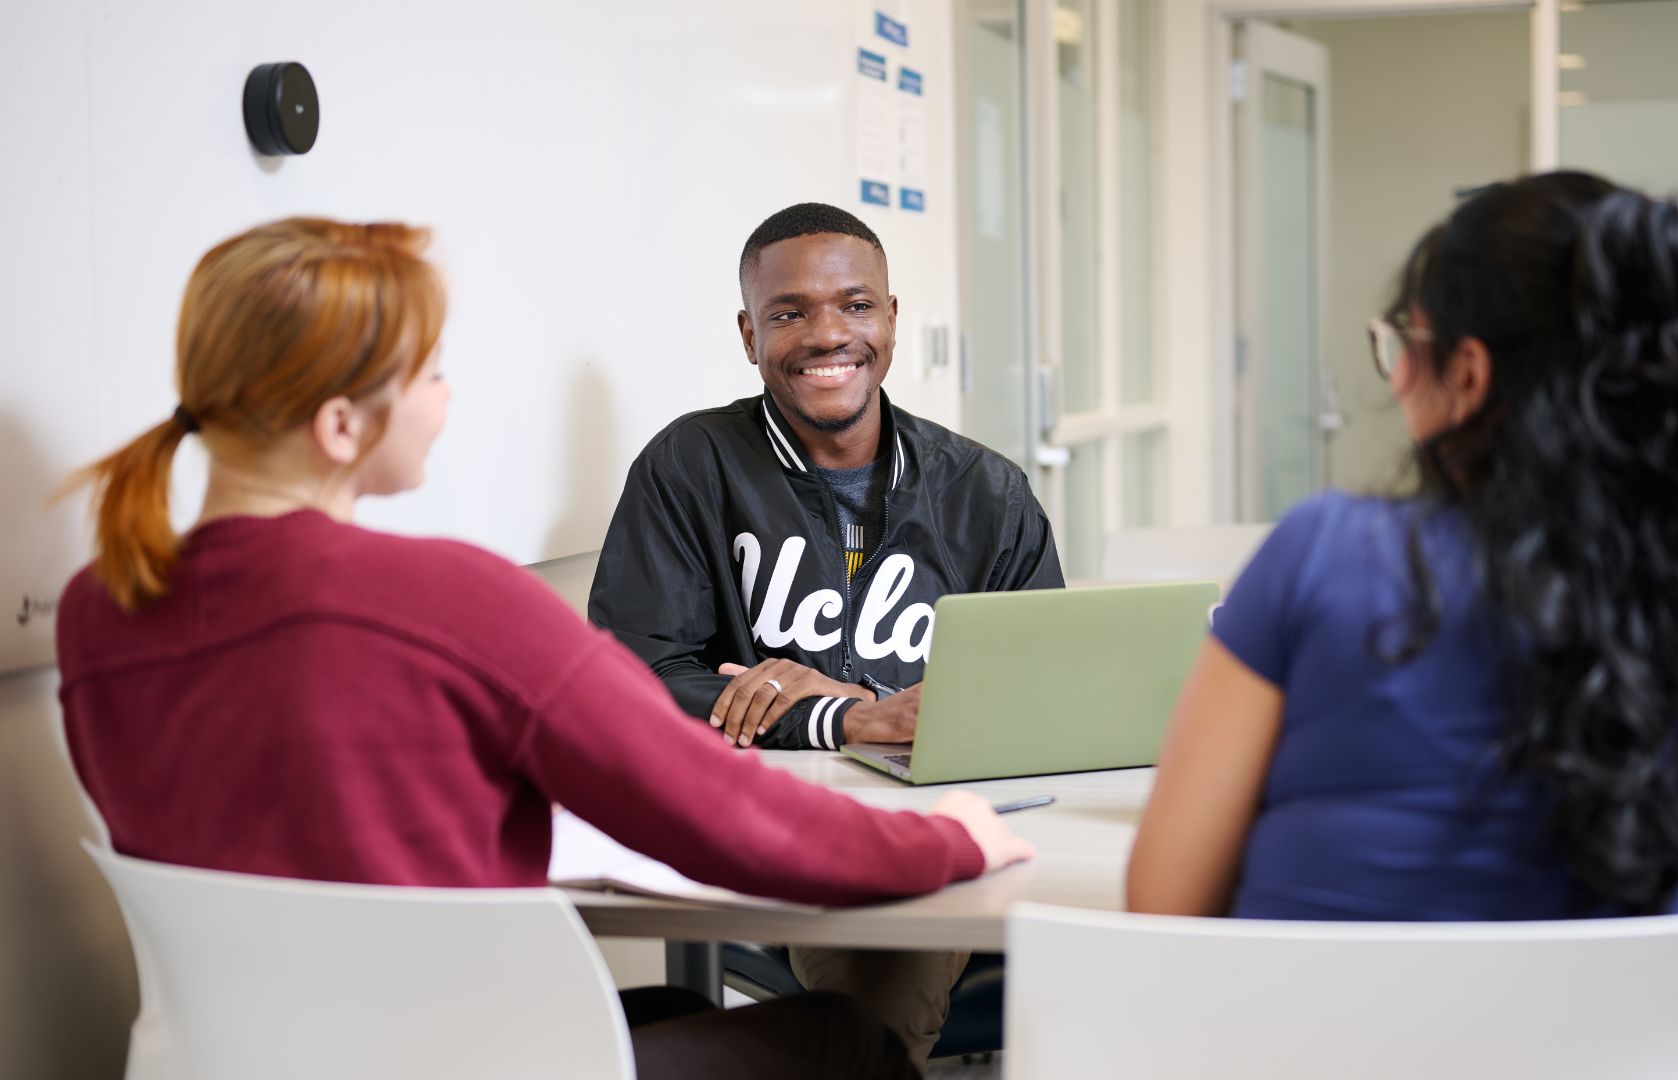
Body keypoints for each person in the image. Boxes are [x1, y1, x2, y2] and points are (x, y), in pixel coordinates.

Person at [56, 217, 1033, 1080]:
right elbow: (725, 821)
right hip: (457, 1059)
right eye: (429, 372)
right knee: (841, 1042)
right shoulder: (450, 599)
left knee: (684, 1015)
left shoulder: (96, 611)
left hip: (261, 1058)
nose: (446, 399)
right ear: (342, 424)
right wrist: (951, 837)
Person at [1128, 172, 1678, 922]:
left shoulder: (1320, 553)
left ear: (1469, 375)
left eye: (1406, 340)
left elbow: (1166, 899)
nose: (1398, 373)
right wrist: (1656, 861)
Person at [588, 202, 1062, 1065]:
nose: (826, 334)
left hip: (950, 823)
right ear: (748, 333)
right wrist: (836, 720)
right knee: (872, 982)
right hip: (773, 828)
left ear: (890, 317)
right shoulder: (690, 466)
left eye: (853, 305)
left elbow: (1047, 699)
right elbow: (631, 676)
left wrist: (864, 708)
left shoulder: (986, 493)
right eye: (789, 312)